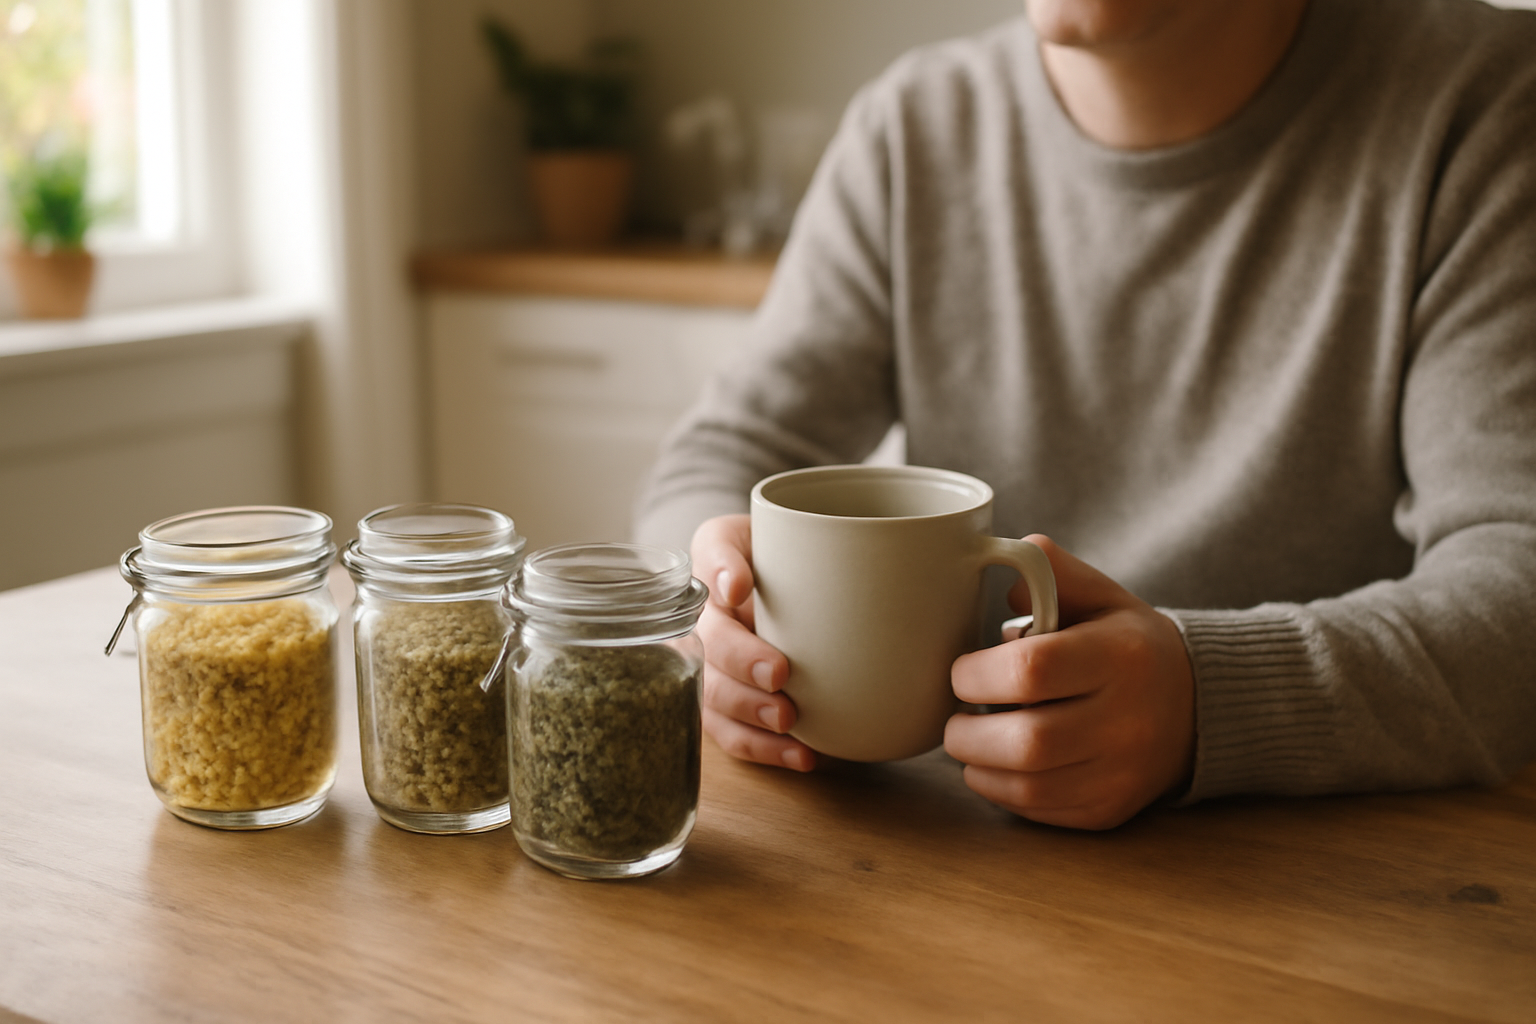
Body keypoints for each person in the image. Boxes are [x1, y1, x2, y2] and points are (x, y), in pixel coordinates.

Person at [634, 0, 1536, 829]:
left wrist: (1207, 701)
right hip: (958, 863)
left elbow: (1516, 581)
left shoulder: (1485, 99)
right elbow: (720, 459)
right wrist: (709, 618)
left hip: (1336, 893)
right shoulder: (915, 127)